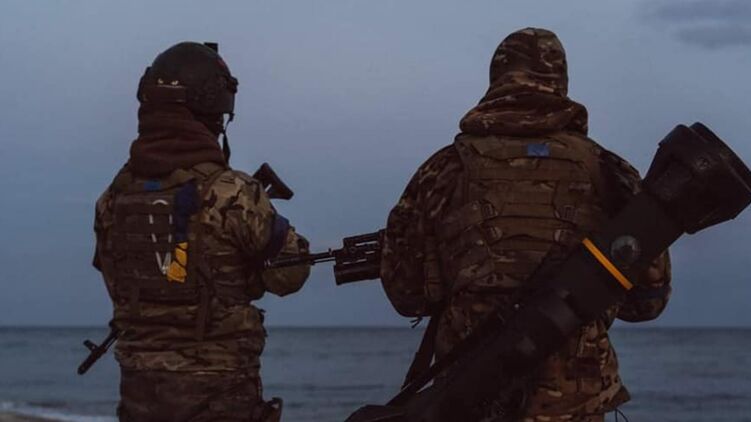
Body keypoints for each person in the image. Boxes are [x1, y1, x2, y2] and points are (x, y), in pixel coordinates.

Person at [380, 28, 672, 422]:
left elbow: (407, 295)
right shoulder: (609, 171)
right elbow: (648, 301)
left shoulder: (444, 169)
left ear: (497, 80)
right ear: (560, 83)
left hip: (469, 400)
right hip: (575, 407)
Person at [92, 42, 310, 422]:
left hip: (139, 396)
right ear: (212, 113)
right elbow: (291, 274)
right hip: (221, 398)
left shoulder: (112, 200)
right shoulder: (234, 193)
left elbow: (119, 282)